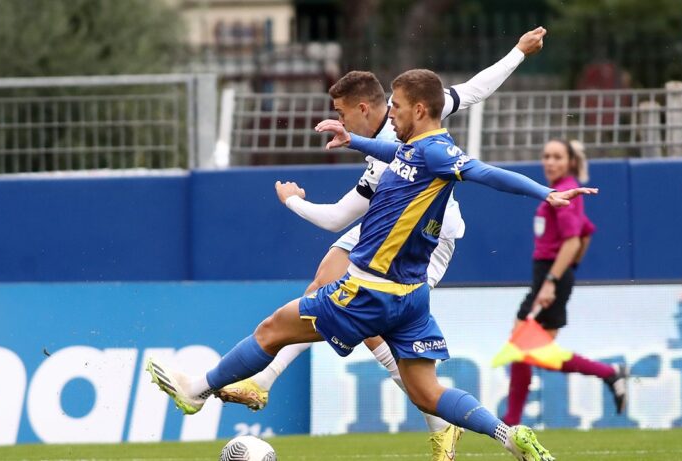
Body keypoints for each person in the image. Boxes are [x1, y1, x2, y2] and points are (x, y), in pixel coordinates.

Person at [147, 67, 595, 460]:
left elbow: (486, 173)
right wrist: (353, 140)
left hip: (369, 290)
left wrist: (545, 193)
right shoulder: (413, 147)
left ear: (419, 109)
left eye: (396, 106)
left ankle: (197, 391)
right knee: (428, 393)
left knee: (272, 329)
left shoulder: (437, 153)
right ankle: (507, 435)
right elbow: (397, 153)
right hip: (410, 299)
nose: (390, 113)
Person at [217, 27, 546, 461]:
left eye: (341, 113)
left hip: (424, 238)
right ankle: (263, 381)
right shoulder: (409, 111)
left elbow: (338, 217)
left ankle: (440, 421)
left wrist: (293, 202)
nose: (339, 121)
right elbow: (474, 89)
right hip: (383, 227)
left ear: (362, 108)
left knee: (373, 321)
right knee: (324, 282)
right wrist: (518, 52)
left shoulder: (398, 143)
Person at [502, 139, 628, 425]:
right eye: (546, 156)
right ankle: (512, 421)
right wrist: (568, 270)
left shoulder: (565, 193)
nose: (550, 162)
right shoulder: (564, 190)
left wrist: (553, 280)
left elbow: (572, 242)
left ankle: (608, 373)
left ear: (570, 162)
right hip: (550, 275)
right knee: (525, 349)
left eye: (557, 157)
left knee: (525, 348)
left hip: (550, 276)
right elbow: (586, 233)